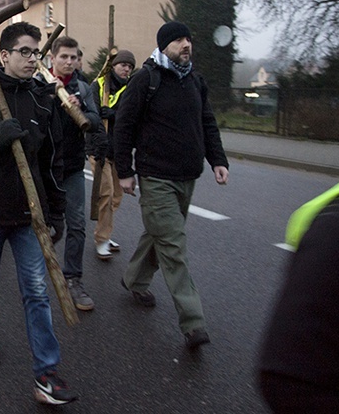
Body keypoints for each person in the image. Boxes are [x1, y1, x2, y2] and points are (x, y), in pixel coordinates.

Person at [0, 22, 78, 405]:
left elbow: (53, 161)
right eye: (24, 51)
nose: (31, 58)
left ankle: (46, 374)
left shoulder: (42, 98)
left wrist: (56, 212)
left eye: (36, 52)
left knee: (37, 292)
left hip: (28, 213)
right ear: (3, 56)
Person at [114, 21, 229, 349]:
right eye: (179, 40)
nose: (186, 44)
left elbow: (207, 122)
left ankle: (134, 279)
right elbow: (123, 127)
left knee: (160, 234)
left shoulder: (195, 80)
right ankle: (193, 321)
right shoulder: (145, 80)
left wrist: (218, 160)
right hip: (156, 177)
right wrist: (125, 170)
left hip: (187, 177)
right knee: (174, 246)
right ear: (164, 45)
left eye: (189, 39)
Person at [258, 174, 339, 412]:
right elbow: (291, 378)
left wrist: (218, 160)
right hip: (162, 175)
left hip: (183, 173)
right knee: (170, 243)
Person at [48, 36, 101, 311]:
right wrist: (50, 97)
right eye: (64, 57)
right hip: (44, 169)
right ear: (53, 59)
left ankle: (73, 278)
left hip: (72, 168)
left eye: (73, 57)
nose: (69, 62)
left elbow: (94, 120)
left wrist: (77, 109)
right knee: (46, 226)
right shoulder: (40, 84)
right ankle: (36, 271)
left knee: (77, 224)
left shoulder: (82, 87)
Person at [86, 50, 136, 260]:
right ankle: (102, 239)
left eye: (130, 66)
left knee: (116, 195)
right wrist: (100, 122)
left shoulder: (132, 88)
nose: (126, 69)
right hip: (99, 149)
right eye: (123, 64)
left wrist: (115, 115)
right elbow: (90, 113)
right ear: (114, 65)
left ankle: (104, 231)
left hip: (119, 151)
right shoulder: (98, 85)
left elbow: (133, 116)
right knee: (105, 192)